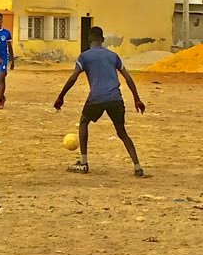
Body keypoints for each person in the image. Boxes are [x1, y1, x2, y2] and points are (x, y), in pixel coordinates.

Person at [54, 27, 145, 177]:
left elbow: (73, 77)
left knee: (84, 122)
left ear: (89, 41)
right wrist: (137, 99)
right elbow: (128, 78)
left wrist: (61, 96)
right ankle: (137, 166)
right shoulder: (113, 56)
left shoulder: (84, 57)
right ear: (102, 40)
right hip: (116, 97)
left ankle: (83, 162)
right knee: (122, 132)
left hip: (97, 97)